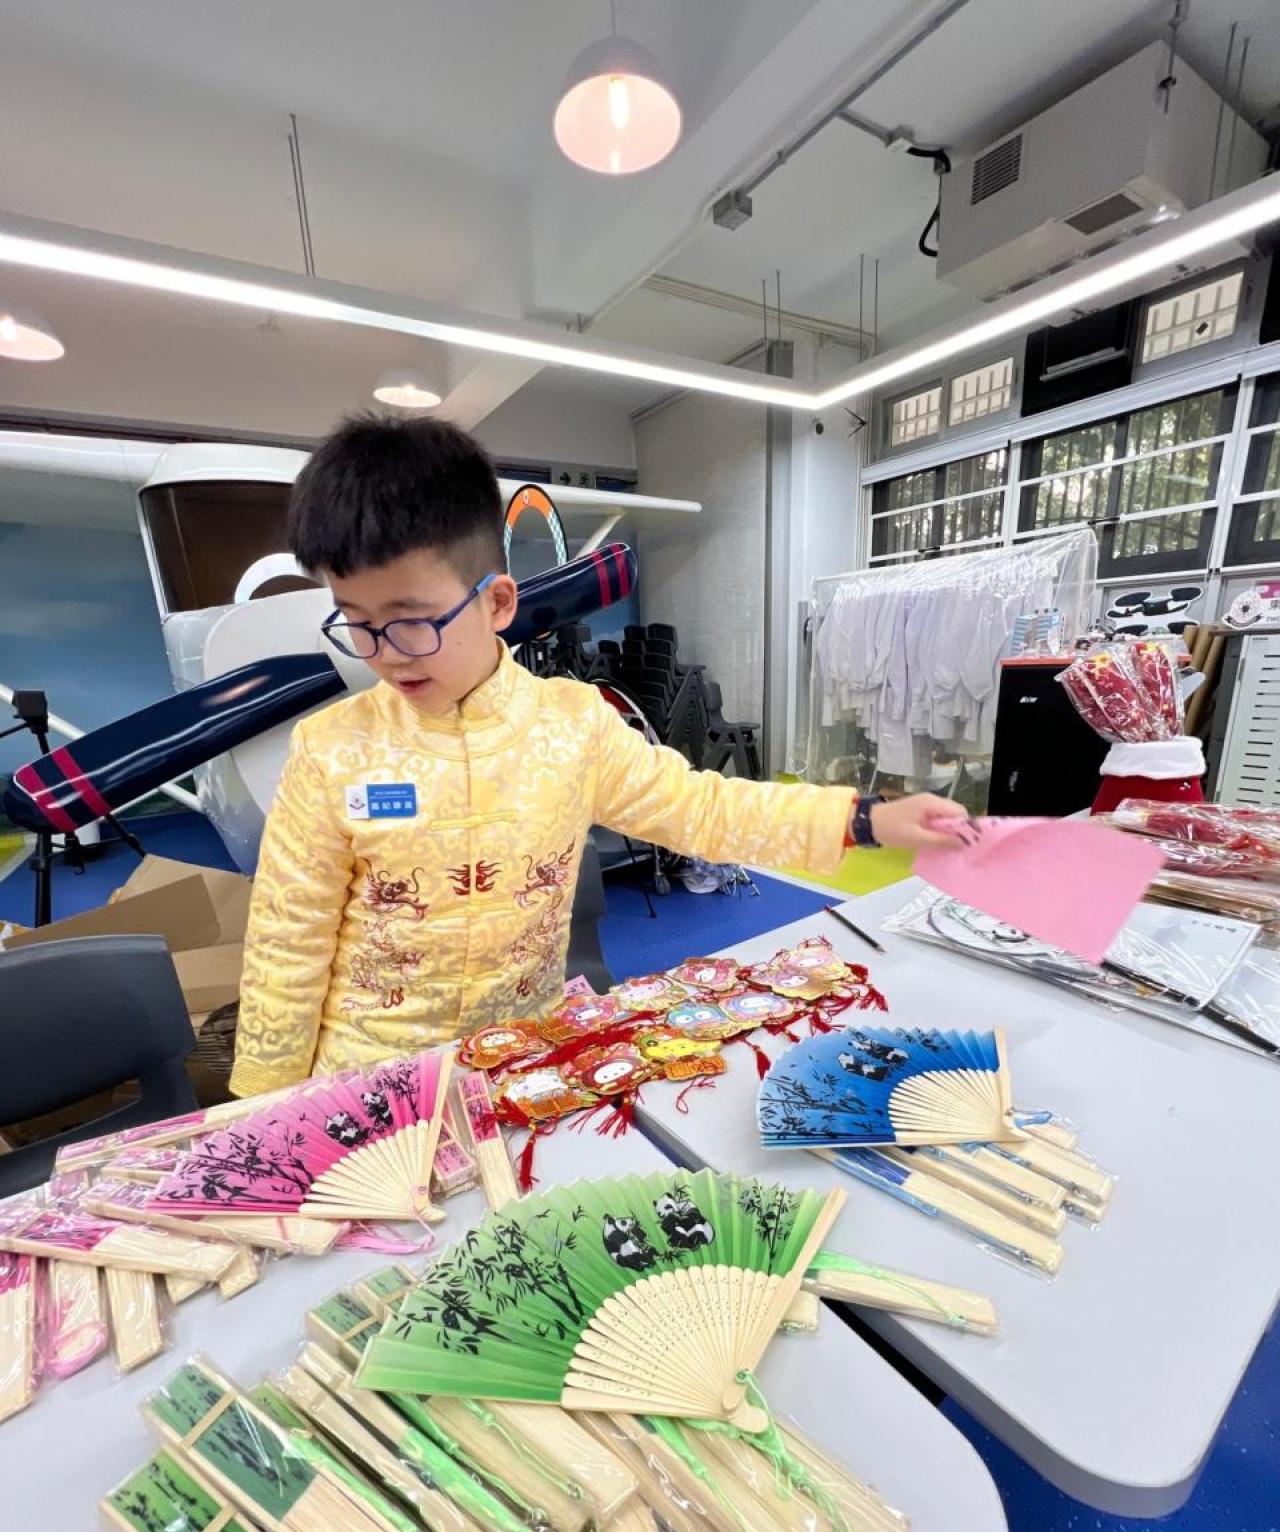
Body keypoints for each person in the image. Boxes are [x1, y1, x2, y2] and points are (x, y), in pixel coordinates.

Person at [230, 416, 967, 1097]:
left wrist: (865, 819)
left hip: (520, 1068)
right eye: (357, 623)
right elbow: (287, 939)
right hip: (367, 1080)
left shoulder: (572, 727)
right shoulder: (332, 749)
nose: (386, 654)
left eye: (411, 622)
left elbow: (704, 809)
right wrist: (264, 1105)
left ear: (497, 603)